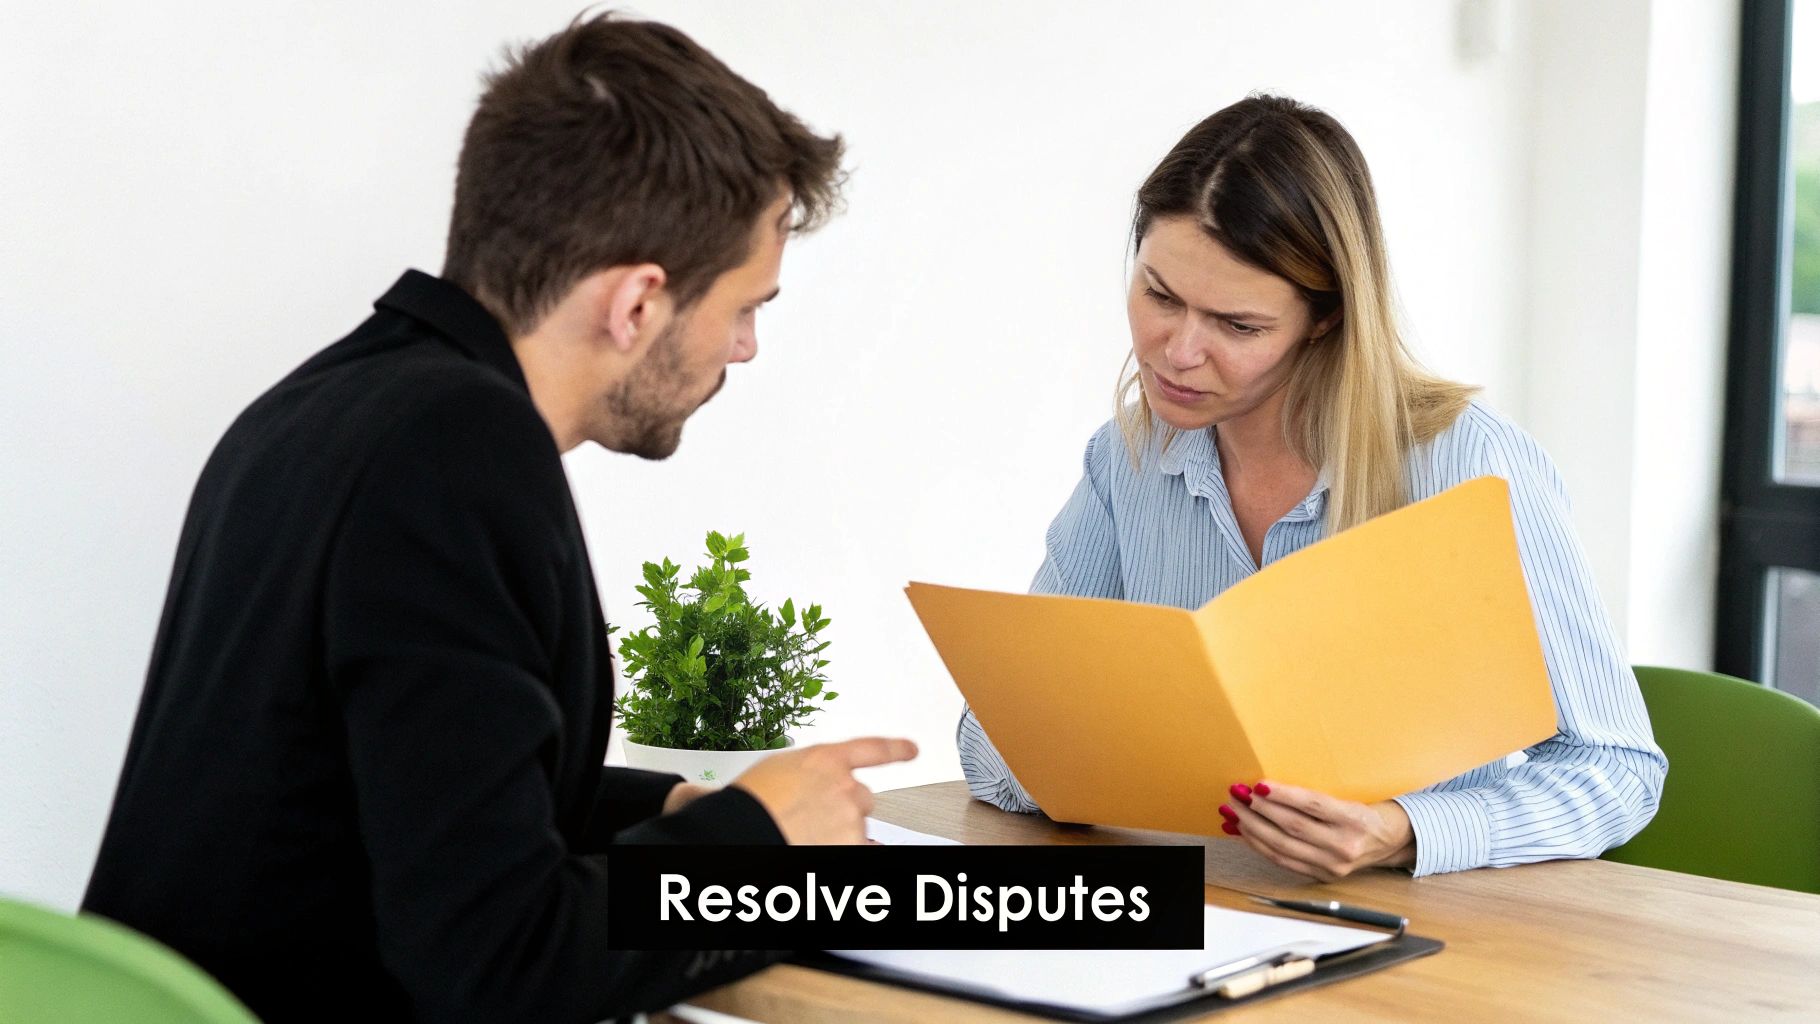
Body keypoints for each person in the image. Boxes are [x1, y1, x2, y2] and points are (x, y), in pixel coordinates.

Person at [81, 14, 915, 1022]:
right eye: (744, 307)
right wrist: (752, 851)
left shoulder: (320, 406)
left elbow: (413, 793)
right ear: (638, 304)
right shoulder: (456, 454)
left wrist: (671, 811)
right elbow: (501, 963)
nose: (741, 350)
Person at [958, 95, 1664, 881]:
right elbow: (992, 743)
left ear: (1325, 319)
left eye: (1237, 325)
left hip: (1436, 946)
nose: (1179, 352)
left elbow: (1617, 770)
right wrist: (1103, 751)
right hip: (1209, 916)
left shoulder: (1463, 466)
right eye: (1159, 296)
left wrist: (1404, 829)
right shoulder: (1127, 458)